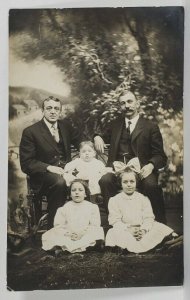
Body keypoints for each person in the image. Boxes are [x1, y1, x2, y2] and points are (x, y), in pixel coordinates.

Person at [94, 90, 167, 223]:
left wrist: (151, 165)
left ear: (137, 104)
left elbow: (160, 156)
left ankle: (159, 227)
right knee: (105, 181)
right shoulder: (115, 125)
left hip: (141, 171)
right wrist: (97, 136)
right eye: (122, 103)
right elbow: (100, 134)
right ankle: (116, 223)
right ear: (120, 107)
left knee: (151, 185)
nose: (126, 106)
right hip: (118, 171)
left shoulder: (150, 127)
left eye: (129, 101)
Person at [19, 96, 81, 229]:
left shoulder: (65, 126)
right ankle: (54, 229)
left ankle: (79, 226)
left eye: (56, 109)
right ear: (43, 110)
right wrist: (48, 168)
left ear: (60, 111)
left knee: (85, 179)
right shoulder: (31, 132)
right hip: (43, 177)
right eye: (49, 108)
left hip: (67, 171)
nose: (53, 111)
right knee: (59, 182)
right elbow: (26, 163)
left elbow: (80, 140)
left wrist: (95, 138)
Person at [105, 168, 175, 253]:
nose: (129, 185)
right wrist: (128, 229)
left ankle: (155, 243)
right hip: (126, 229)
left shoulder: (143, 198)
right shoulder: (114, 200)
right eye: (125, 182)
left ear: (136, 183)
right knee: (113, 232)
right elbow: (115, 221)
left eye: (132, 181)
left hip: (142, 228)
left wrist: (144, 230)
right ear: (120, 183)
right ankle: (127, 246)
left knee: (158, 227)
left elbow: (148, 217)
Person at [42, 179, 104, 254]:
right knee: (53, 233)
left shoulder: (92, 207)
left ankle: (82, 247)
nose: (77, 192)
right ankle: (67, 247)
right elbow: (59, 225)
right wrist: (68, 234)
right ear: (70, 194)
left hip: (85, 233)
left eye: (80, 190)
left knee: (98, 231)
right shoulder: (64, 208)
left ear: (85, 194)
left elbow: (95, 224)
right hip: (69, 235)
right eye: (73, 190)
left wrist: (82, 233)